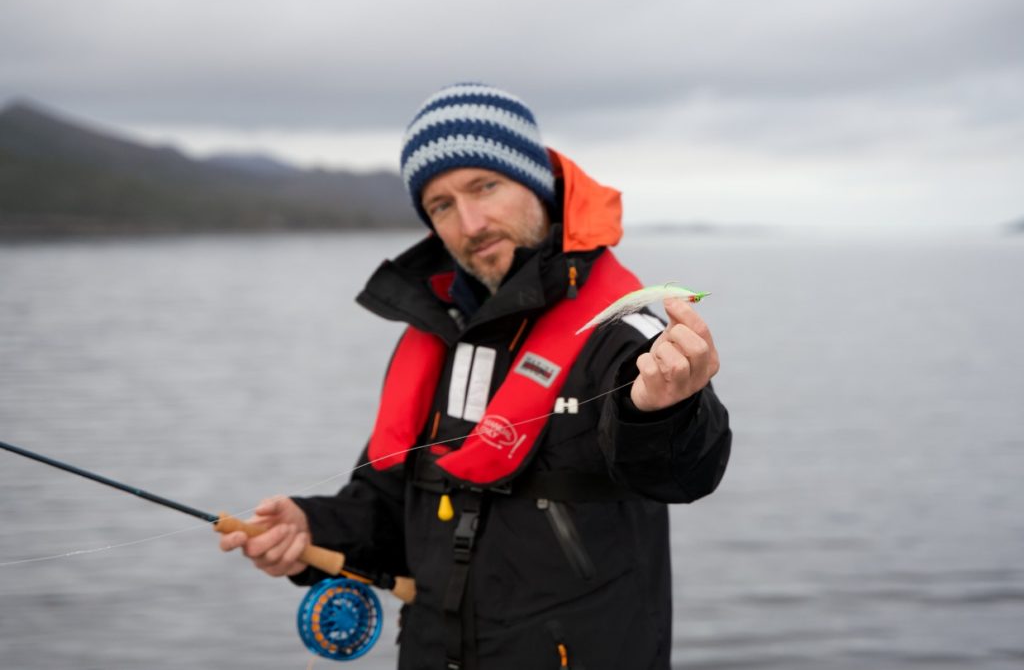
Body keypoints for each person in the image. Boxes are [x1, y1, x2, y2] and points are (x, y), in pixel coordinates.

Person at [220, 83, 731, 669]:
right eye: (441, 205)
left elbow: (683, 472)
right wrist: (312, 526)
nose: (470, 222)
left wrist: (664, 409)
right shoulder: (432, 334)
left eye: (484, 186)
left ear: (534, 182)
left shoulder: (623, 329)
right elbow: (390, 506)